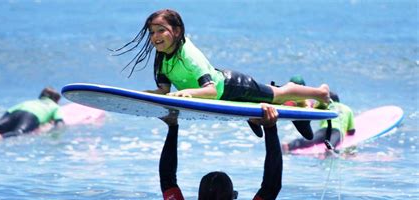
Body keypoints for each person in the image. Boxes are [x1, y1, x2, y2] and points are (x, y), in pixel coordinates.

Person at [114, 9, 330, 139]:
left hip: (232, 85)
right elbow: (164, 90)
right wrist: (141, 96)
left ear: (177, 31)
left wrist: (186, 93)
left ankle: (320, 93)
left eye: (161, 30)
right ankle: (296, 104)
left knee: (278, 94)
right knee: (271, 98)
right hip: (223, 95)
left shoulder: (190, 56)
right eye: (152, 32)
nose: (155, 36)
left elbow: (212, 91)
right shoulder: (162, 58)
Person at [282, 91, 356, 153]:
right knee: (331, 146)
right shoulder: (347, 109)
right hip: (337, 131)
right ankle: (328, 152)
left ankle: (289, 146)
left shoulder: (327, 107)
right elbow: (351, 131)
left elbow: (322, 122)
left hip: (324, 129)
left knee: (310, 140)